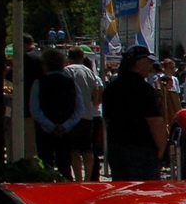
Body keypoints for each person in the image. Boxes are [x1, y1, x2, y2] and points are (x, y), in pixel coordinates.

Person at [102, 47, 167, 181]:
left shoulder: (112, 88)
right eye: (148, 62)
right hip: (142, 150)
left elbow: (107, 120)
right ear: (138, 63)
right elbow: (155, 122)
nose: (151, 66)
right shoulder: (144, 90)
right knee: (145, 195)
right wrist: (161, 149)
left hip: (117, 148)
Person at [31, 48, 85, 178]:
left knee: (45, 164)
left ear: (45, 65)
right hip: (66, 131)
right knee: (65, 165)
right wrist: (66, 125)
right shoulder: (71, 83)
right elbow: (79, 109)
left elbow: (35, 109)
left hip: (45, 130)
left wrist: (50, 125)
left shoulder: (39, 82)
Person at [62, 48, 103, 182]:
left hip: (73, 115)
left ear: (69, 57)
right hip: (88, 115)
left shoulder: (67, 71)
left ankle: (78, 178)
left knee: (74, 149)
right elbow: (96, 97)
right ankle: (88, 178)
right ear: (83, 57)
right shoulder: (90, 72)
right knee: (88, 148)